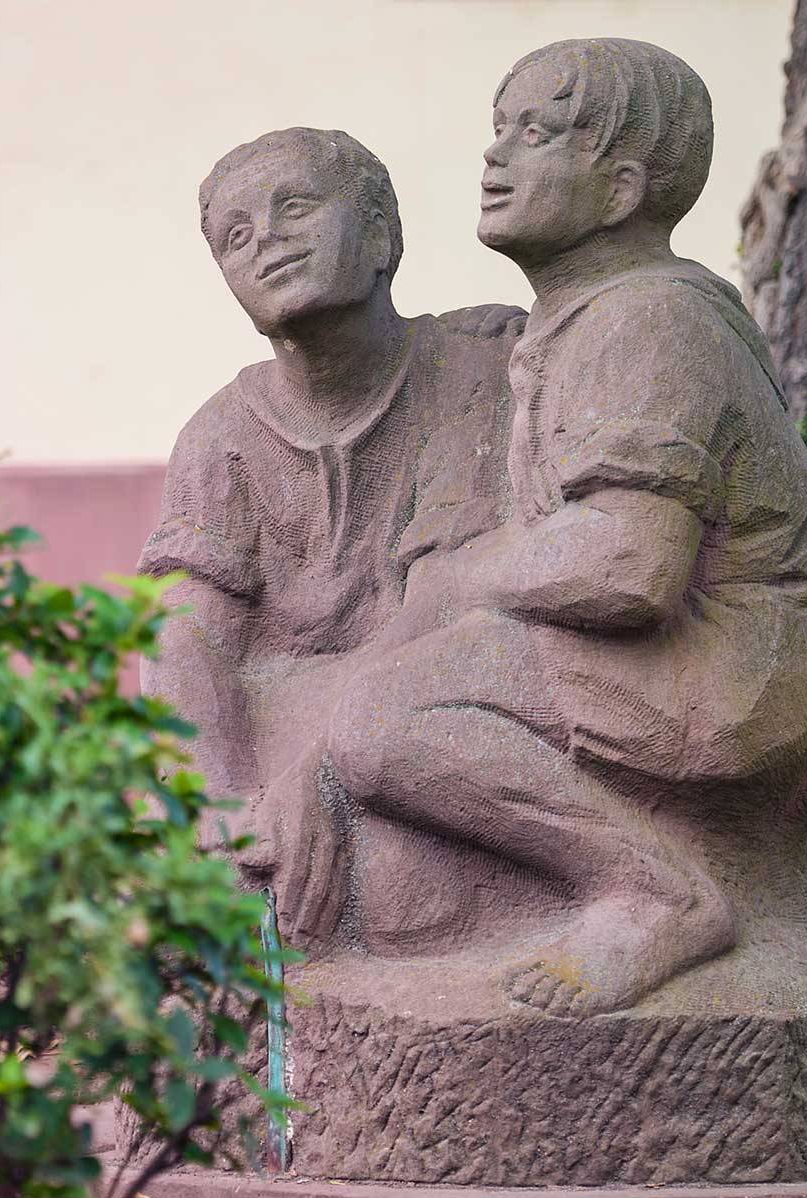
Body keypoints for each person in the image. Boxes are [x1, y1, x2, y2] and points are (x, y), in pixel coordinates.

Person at [280, 38, 807, 1014]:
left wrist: (465, 579)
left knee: (387, 719)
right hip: (699, 674)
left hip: (736, 681)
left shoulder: (649, 320)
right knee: (380, 723)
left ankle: (655, 894)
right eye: (499, 130)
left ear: (622, 188)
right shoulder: (583, 320)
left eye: (539, 134)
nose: (496, 157)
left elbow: (632, 565)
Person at [138, 128, 524, 944]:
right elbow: (183, 638)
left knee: (402, 898)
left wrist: (319, 772)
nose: (266, 239)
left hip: (430, 729)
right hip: (276, 736)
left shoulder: (471, 374)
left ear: (382, 232)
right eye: (235, 237)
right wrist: (211, 806)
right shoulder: (221, 437)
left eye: (296, 207)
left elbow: (450, 620)